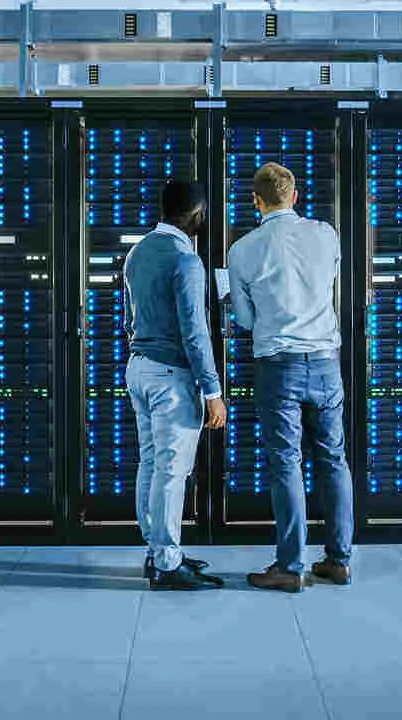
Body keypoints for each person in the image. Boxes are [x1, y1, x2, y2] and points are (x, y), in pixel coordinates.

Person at [227, 162, 355, 593]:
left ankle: (290, 566)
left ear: (255, 201)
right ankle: (338, 561)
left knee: (286, 463)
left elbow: (244, 321)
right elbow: (328, 284)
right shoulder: (326, 235)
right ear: (295, 195)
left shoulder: (243, 250)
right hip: (325, 362)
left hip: (278, 366)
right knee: (333, 459)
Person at [124, 180, 227, 591]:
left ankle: (158, 552)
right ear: (197, 214)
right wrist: (213, 391)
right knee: (172, 470)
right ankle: (167, 563)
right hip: (171, 376)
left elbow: (130, 316)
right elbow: (195, 332)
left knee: (150, 463)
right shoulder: (186, 259)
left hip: (139, 367)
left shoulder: (138, 251)